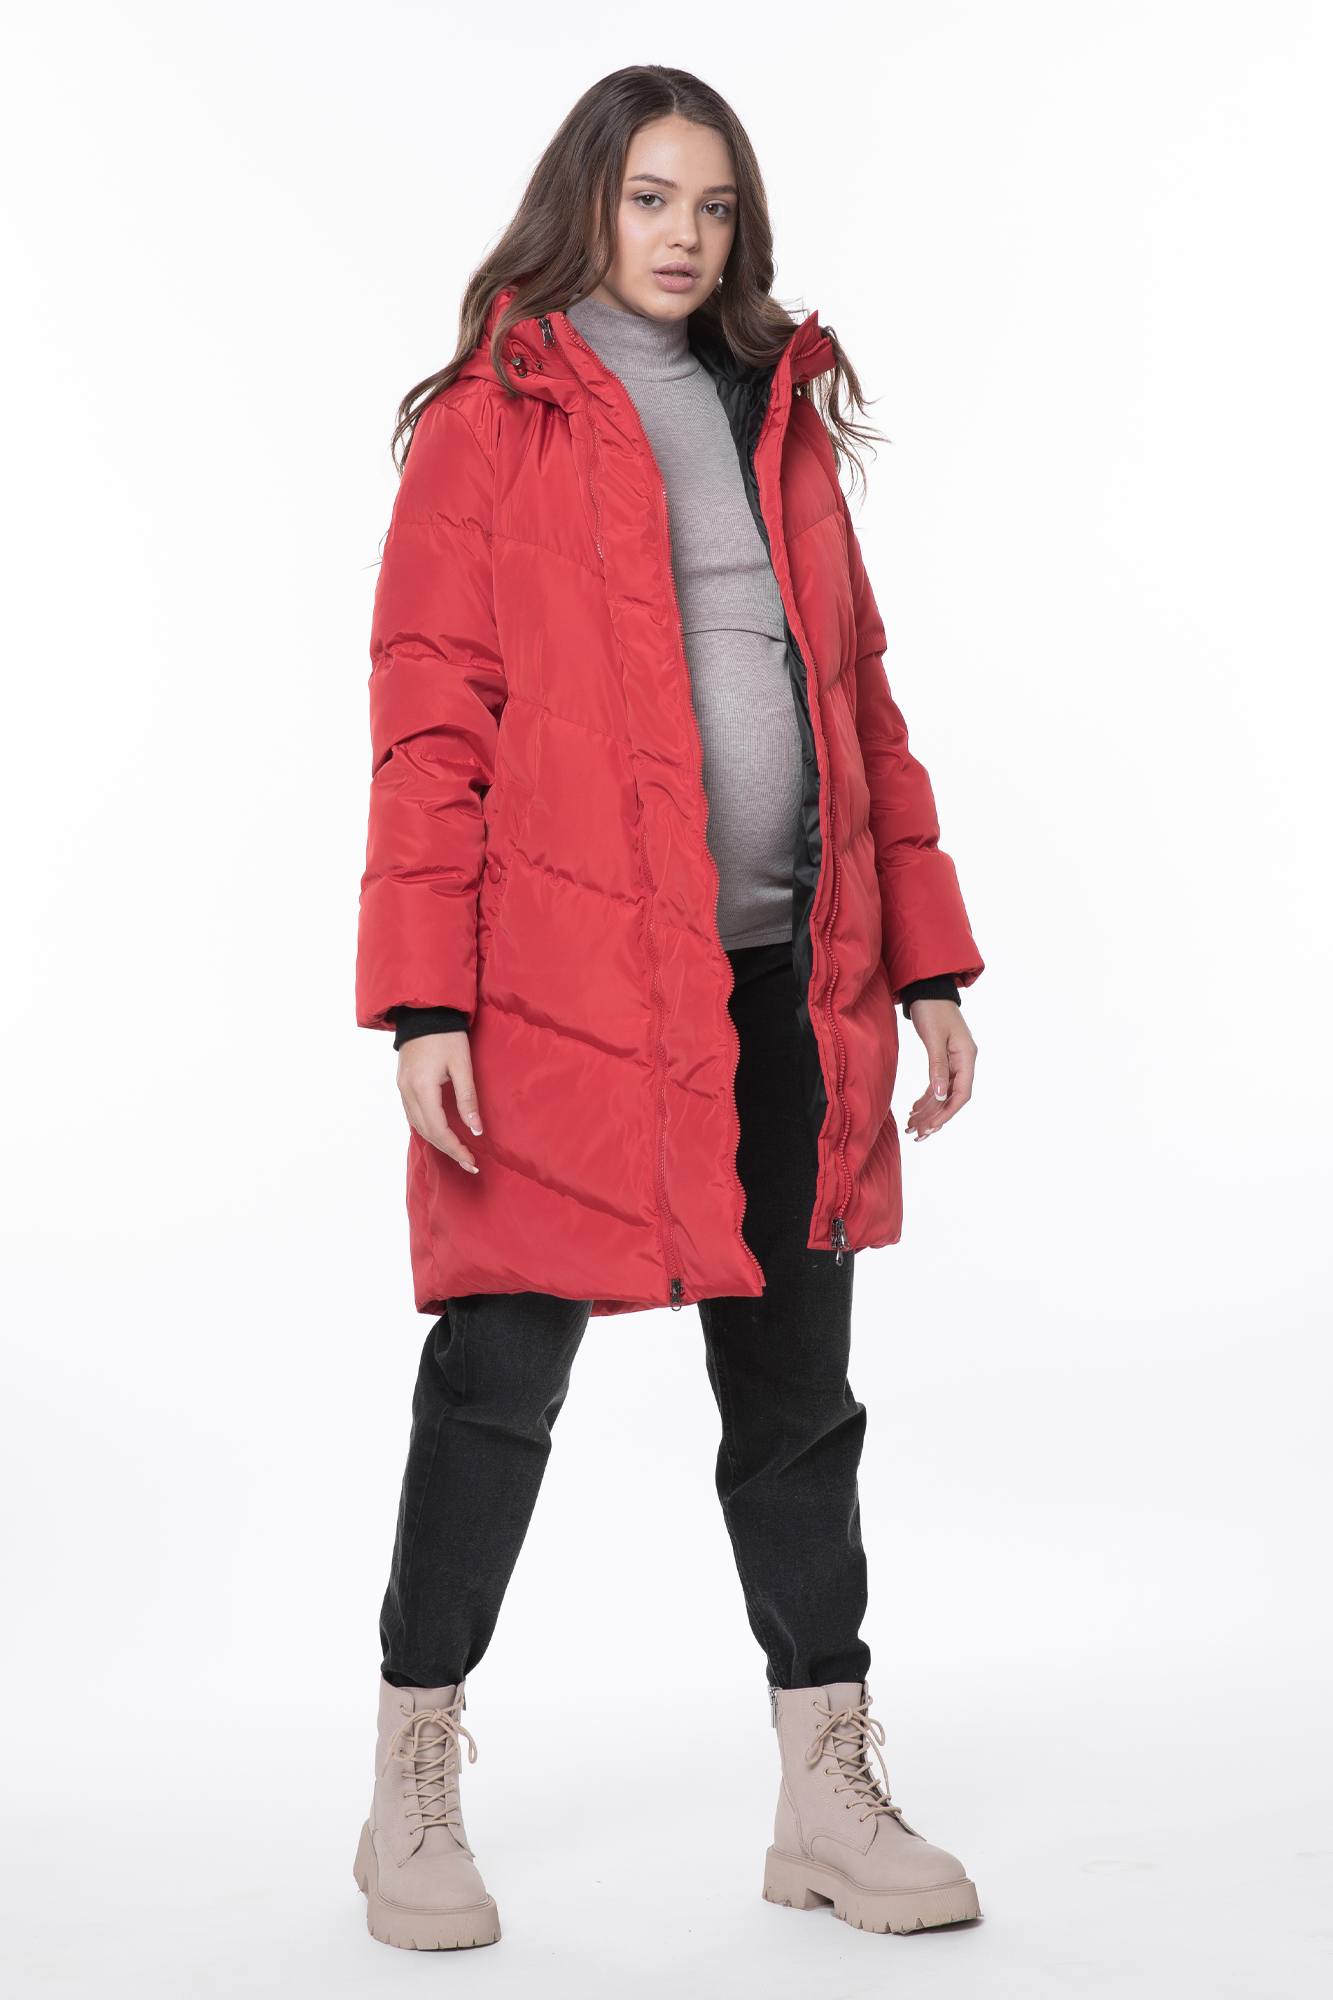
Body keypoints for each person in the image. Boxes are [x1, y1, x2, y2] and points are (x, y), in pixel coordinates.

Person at [352, 63, 984, 1952]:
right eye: (650, 199)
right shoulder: (492, 422)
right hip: (556, 992)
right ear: (587, 204)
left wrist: (928, 962)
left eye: (713, 206)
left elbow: (859, 703)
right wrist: (423, 1003)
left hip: (788, 973)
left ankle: (822, 1792)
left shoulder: (774, 410)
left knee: (796, 1397)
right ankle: (409, 1782)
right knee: (497, 1381)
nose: (684, 236)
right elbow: (430, 725)